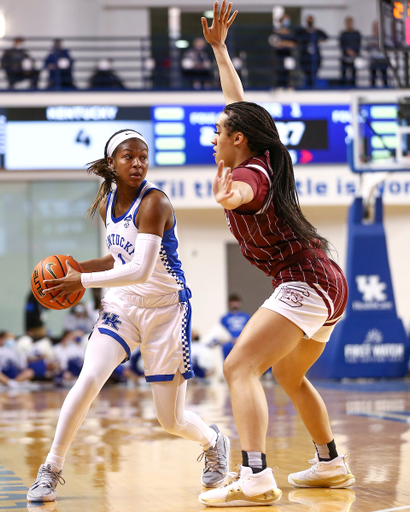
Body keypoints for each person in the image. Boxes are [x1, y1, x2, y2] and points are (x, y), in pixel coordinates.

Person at [198, 2, 355, 507]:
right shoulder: (261, 154)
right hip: (328, 280)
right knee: (288, 373)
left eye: (219, 133)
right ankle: (330, 463)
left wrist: (229, 198)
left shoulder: (250, 176)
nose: (214, 136)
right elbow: (237, 102)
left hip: (304, 280)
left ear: (237, 141)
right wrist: (221, 50)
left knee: (238, 368)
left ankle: (256, 477)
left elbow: (244, 191)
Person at [26, 128, 230, 503]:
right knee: (88, 380)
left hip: (167, 311)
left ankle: (213, 440)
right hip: (122, 304)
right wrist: (73, 272)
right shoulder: (107, 202)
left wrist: (82, 279)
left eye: (143, 156)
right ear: (111, 163)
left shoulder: (155, 203)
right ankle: (50, 470)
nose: (137, 163)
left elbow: (139, 268)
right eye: (128, 157)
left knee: (171, 421)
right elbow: (118, 261)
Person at [295, 15, 328, 88]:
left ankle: (313, 86)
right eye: (309, 20)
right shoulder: (302, 32)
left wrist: (319, 39)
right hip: (305, 57)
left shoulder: (317, 32)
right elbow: (295, 37)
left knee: (314, 74)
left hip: (315, 57)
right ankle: (307, 87)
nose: (310, 22)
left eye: (311, 20)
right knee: (306, 75)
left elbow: (325, 36)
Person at [269, 14, 296, 89]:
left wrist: (282, 43)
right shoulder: (276, 32)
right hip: (279, 55)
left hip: (288, 55)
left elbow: (293, 44)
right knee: (279, 71)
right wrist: (285, 43)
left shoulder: (291, 33)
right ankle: (279, 86)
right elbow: (275, 43)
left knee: (288, 72)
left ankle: (288, 86)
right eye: (285, 20)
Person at [339, 17, 361, 87]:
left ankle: (353, 87)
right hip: (345, 57)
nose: (349, 24)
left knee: (354, 74)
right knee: (344, 74)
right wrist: (347, 51)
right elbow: (341, 44)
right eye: (348, 23)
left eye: (351, 23)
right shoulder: (343, 34)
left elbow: (358, 43)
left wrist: (354, 52)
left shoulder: (356, 33)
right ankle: (343, 87)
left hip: (354, 57)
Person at [366, 21, 389, 87]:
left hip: (382, 59)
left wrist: (381, 44)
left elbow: (388, 46)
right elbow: (366, 48)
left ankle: (386, 89)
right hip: (374, 59)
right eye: (375, 27)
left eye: (378, 27)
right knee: (373, 77)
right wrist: (371, 44)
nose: (376, 29)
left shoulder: (384, 38)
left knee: (385, 77)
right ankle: (372, 89)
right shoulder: (370, 38)